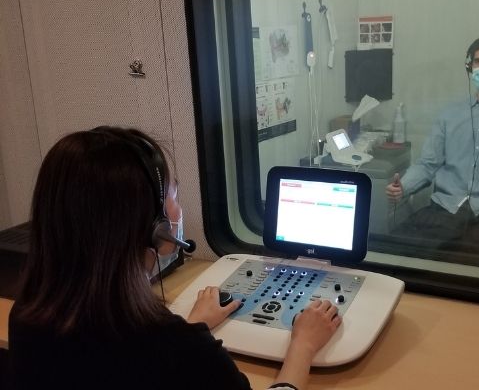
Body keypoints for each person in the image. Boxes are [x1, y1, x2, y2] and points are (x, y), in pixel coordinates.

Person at [7, 126, 341, 389]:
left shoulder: (26, 318)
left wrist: (194, 325)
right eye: (173, 195)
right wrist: (303, 346)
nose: (179, 210)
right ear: (155, 227)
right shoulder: (181, 352)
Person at [386, 34, 479, 252]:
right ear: (469, 67)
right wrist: (403, 187)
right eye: (478, 61)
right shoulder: (449, 115)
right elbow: (427, 164)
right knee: (392, 252)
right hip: (445, 209)